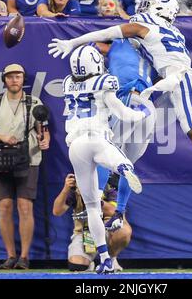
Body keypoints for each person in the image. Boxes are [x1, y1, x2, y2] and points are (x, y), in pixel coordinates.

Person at [48, 0, 192, 185]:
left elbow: (109, 32)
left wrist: (73, 42)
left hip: (177, 81)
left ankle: (111, 175)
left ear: (157, 8)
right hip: (179, 80)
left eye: (149, 4)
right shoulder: (175, 32)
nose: (143, 8)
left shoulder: (144, 23)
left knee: (127, 124)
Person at [62, 45, 150, 273]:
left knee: (92, 207)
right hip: (97, 138)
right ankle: (122, 174)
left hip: (76, 146)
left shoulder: (67, 83)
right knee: (125, 165)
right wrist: (143, 113)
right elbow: (122, 113)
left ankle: (104, 258)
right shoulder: (105, 82)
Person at [0, 64, 50, 270]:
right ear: (4, 80)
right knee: (4, 207)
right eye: (10, 76)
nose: (14, 80)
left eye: (18, 76)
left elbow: (44, 130)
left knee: (24, 206)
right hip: (2, 159)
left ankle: (25, 257)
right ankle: (10, 255)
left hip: (28, 158)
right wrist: (0, 137)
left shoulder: (34, 102)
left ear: (23, 79)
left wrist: (45, 140)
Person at [91, 39, 156, 231]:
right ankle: (119, 212)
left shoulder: (119, 42)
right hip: (148, 107)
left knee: (105, 152)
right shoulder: (154, 50)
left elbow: (99, 45)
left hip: (128, 99)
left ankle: (95, 202)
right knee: (127, 164)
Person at [53, 174, 131, 272]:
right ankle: (89, 262)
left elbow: (114, 211)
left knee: (124, 231)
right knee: (77, 266)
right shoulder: (77, 187)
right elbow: (57, 211)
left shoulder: (110, 186)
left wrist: (94, 200)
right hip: (84, 233)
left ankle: (111, 258)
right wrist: (66, 189)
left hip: (107, 230)